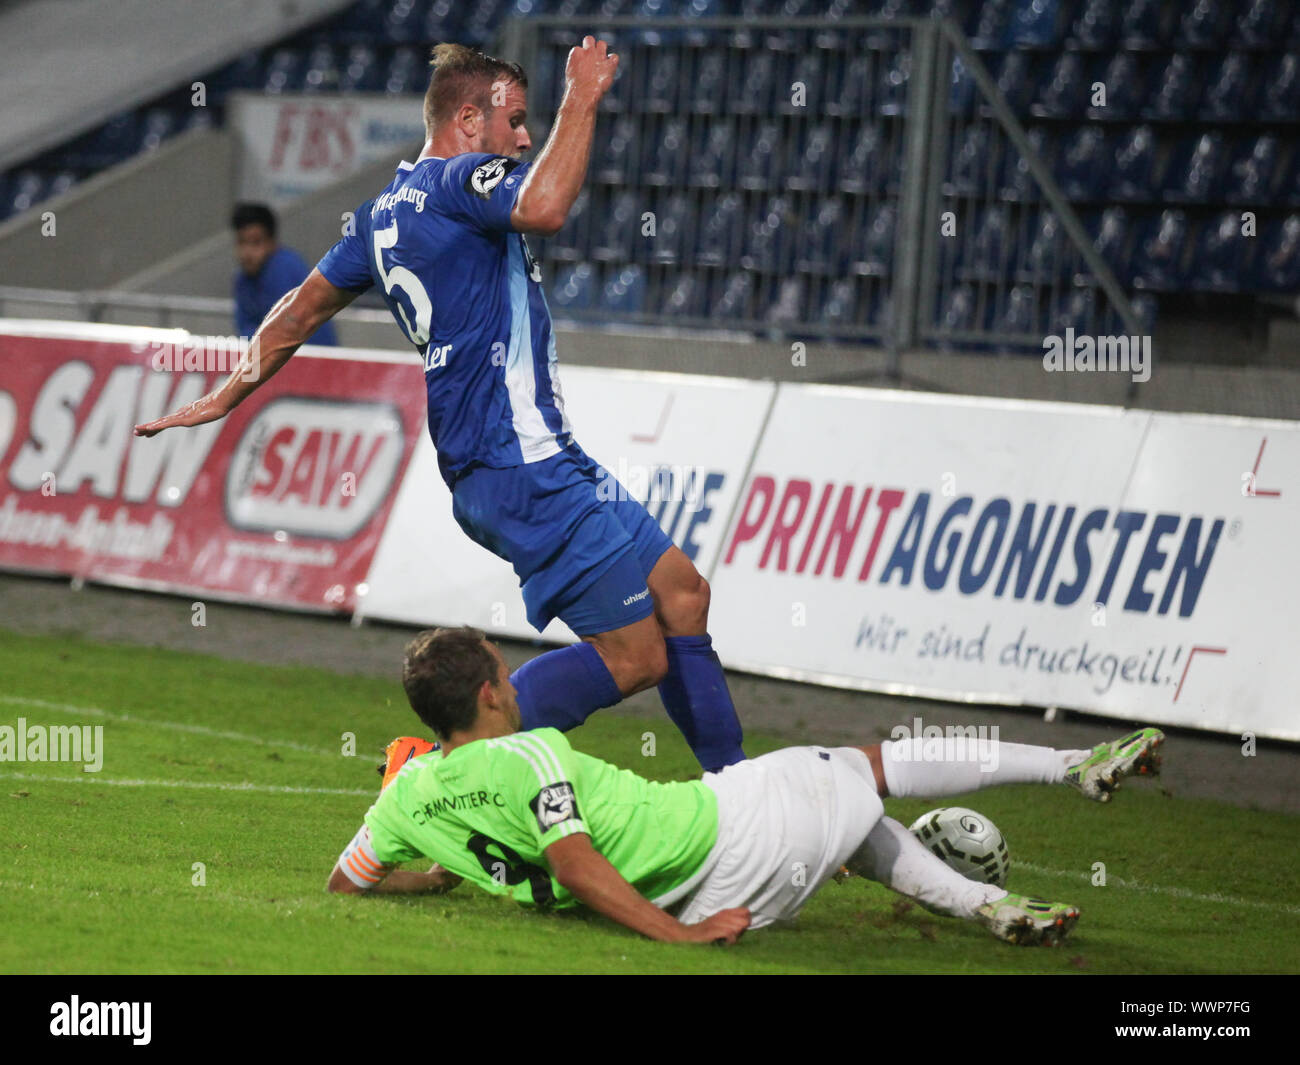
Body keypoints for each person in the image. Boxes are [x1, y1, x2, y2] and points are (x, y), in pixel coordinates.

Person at [134, 38, 746, 773]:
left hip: (525, 454)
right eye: (514, 119)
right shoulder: (461, 181)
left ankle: (737, 792)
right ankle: (435, 763)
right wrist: (583, 95)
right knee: (637, 656)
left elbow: (296, 313)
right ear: (466, 118)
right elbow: (548, 207)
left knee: (682, 595)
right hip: (516, 460)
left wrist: (221, 394)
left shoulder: (377, 217)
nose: (523, 137)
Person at [326, 626, 1167, 947]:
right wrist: (675, 938)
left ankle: (989, 908)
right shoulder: (532, 751)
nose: (513, 687)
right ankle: (1075, 765)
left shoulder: (401, 799)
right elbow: (575, 860)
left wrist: (435, 874)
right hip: (721, 834)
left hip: (710, 890)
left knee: (845, 809)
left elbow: (346, 881)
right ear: (489, 695)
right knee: (869, 763)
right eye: (506, 677)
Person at [230, 203, 337, 345]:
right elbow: (245, 329)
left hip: (313, 358)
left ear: (271, 243)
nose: (247, 252)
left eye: (256, 242)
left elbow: (285, 332)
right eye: (242, 242)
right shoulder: (242, 280)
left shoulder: (286, 268)